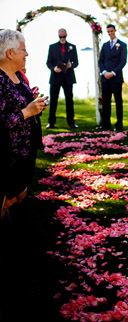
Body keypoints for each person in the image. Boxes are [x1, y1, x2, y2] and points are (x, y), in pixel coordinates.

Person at [0, 29, 46, 202]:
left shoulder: (19, 74)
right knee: (12, 196)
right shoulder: (0, 80)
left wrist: (35, 105)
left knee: (22, 194)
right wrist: (27, 112)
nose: (27, 53)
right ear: (10, 53)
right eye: (23, 49)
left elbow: (22, 103)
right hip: (11, 152)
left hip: (28, 147)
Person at [46, 28, 79, 129]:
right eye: (60, 37)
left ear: (66, 35)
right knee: (53, 100)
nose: (62, 38)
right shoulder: (52, 47)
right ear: (58, 36)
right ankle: (51, 122)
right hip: (55, 77)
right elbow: (48, 62)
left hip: (68, 77)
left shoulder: (72, 47)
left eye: (64, 36)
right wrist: (54, 68)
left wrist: (71, 65)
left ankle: (71, 122)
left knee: (69, 100)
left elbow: (76, 62)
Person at [98, 24, 127, 131]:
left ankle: (119, 124)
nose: (110, 33)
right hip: (105, 78)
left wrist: (113, 72)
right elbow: (100, 61)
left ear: (115, 30)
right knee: (106, 102)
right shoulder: (105, 45)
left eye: (111, 31)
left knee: (118, 102)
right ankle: (106, 124)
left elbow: (123, 61)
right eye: (108, 31)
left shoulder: (122, 45)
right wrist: (104, 72)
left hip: (116, 78)